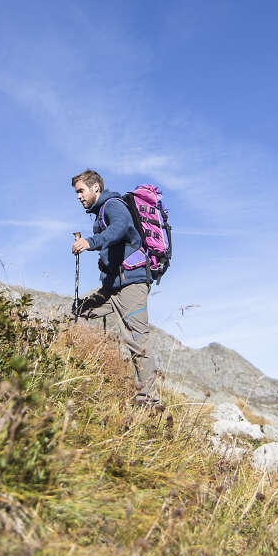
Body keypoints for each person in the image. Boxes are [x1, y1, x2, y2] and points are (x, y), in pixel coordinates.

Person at [70, 169, 158, 405]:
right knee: (80, 309)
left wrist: (91, 241)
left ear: (95, 187)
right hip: (113, 286)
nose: (79, 196)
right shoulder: (100, 213)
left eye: (81, 191)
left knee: (137, 342)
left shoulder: (112, 205)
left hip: (131, 284)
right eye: (77, 192)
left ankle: (149, 402)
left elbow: (120, 227)